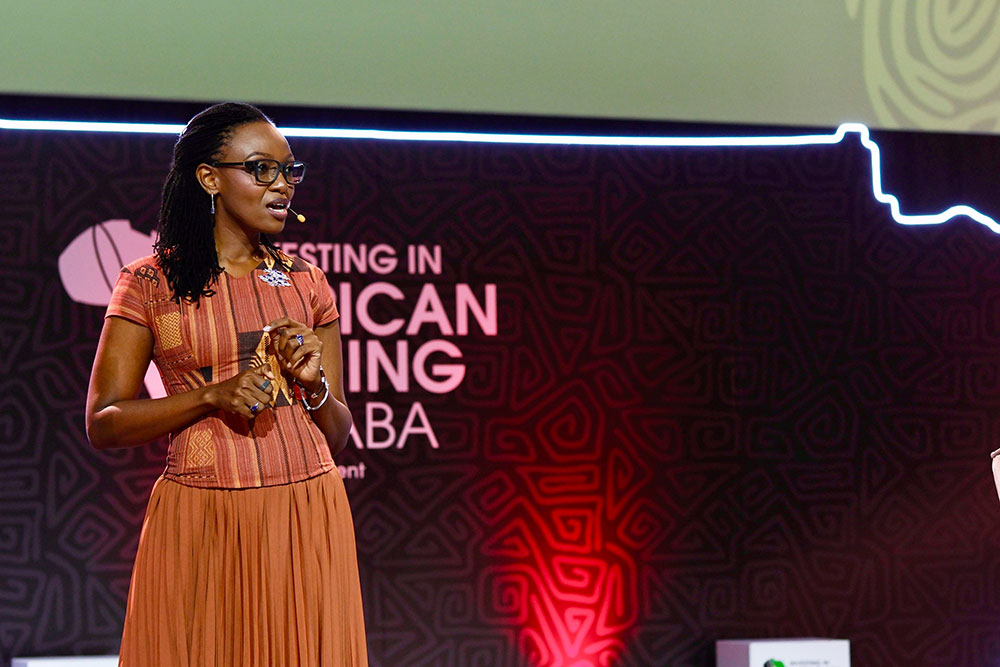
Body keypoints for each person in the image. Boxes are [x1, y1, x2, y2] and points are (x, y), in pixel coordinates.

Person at [85, 102, 367, 666]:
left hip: (306, 511)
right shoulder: (149, 283)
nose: (282, 185)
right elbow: (104, 422)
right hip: (201, 516)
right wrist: (210, 395)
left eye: (289, 170)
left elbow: (336, 435)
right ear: (209, 178)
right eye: (262, 169)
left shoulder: (307, 282)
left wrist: (313, 385)